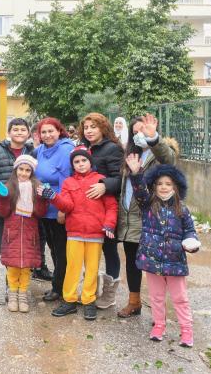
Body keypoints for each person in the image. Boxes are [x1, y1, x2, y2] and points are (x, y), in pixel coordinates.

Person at [125, 156, 198, 347]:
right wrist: (136, 174)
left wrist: (191, 241)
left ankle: (186, 330)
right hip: (152, 260)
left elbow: (190, 230)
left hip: (175, 261)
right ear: (154, 186)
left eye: (168, 184)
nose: (164, 187)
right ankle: (159, 325)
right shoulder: (148, 204)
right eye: (159, 184)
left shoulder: (182, 208)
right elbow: (140, 191)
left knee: (180, 298)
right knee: (156, 297)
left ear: (176, 187)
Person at [43, 146, 117, 321]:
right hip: (74, 232)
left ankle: (88, 300)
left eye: (84, 160)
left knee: (92, 269)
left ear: (90, 162)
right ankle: (69, 300)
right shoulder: (69, 182)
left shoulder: (101, 180)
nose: (81, 164)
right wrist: (53, 197)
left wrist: (109, 225)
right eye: (76, 161)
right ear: (72, 165)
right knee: (73, 268)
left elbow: (112, 207)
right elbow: (67, 206)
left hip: (96, 234)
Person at [116, 113, 177, 318]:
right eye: (135, 133)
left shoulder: (158, 155)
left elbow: (169, 159)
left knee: (154, 266)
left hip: (151, 218)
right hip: (129, 218)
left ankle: (160, 310)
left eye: (142, 131)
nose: (138, 136)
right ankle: (134, 302)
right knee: (132, 262)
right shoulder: (130, 155)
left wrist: (153, 139)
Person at [78, 112, 124, 309]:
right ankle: (90, 288)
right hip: (86, 209)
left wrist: (105, 185)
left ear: (103, 128)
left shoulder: (112, 149)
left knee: (109, 250)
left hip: (107, 209)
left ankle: (109, 294)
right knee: (89, 250)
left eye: (93, 127)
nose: (89, 131)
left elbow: (121, 178)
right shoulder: (83, 148)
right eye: (86, 127)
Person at [0, 118, 38, 266]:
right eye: (15, 129)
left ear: (28, 134)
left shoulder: (34, 152)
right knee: (6, 245)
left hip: (27, 209)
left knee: (27, 245)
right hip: (2, 208)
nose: (19, 132)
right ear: (8, 132)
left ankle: (24, 280)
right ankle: (10, 283)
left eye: (23, 130)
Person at [0, 155, 48, 312]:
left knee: (26, 268)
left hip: (29, 235)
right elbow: (3, 212)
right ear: (15, 169)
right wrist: (3, 197)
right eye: (21, 169)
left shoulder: (36, 187)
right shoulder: (9, 186)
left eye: (28, 170)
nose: (24, 173)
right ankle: (12, 294)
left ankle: (23, 294)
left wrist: (41, 198)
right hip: (12, 232)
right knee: (12, 267)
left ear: (32, 172)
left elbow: (40, 213)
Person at [33, 117, 76, 302]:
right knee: (53, 249)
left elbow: (67, 182)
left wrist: (62, 210)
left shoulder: (66, 149)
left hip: (59, 207)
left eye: (51, 131)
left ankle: (60, 289)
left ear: (59, 131)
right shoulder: (41, 150)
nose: (47, 135)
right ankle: (59, 285)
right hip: (44, 208)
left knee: (61, 251)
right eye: (44, 132)